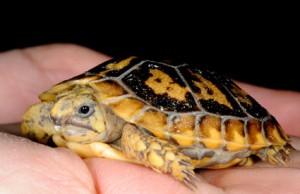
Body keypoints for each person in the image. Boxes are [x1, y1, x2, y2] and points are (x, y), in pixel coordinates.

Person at [0, 44, 299, 194]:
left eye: (83, 111)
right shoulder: (60, 116)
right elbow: (47, 116)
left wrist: (170, 162)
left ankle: (264, 143)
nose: (61, 119)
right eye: (60, 112)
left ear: (104, 111)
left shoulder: (132, 132)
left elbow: (139, 137)